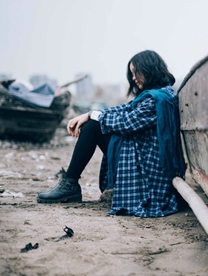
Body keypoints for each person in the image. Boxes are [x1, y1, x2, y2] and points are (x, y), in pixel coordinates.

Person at [38, 50, 186, 217]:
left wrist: (93, 116)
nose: (134, 78)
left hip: (149, 165)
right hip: (145, 154)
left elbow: (127, 122)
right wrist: (89, 114)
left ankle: (70, 184)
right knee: (94, 123)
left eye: (136, 72)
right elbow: (124, 109)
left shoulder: (158, 98)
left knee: (94, 126)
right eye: (131, 73)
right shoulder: (157, 94)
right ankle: (70, 183)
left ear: (149, 68)